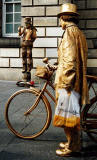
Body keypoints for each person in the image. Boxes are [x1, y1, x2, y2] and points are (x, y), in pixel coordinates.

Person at [53, 3, 89, 157]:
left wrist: (66, 83)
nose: (60, 22)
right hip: (77, 79)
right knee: (72, 114)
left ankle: (73, 147)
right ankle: (72, 142)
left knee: (68, 114)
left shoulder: (68, 33)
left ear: (64, 18)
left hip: (69, 81)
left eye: (60, 19)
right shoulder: (78, 32)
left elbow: (70, 61)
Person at [18, 17, 37, 81]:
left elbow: (34, 37)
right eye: (25, 23)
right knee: (23, 56)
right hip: (23, 43)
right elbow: (20, 34)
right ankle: (24, 68)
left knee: (29, 56)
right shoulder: (24, 28)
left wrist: (31, 41)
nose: (26, 24)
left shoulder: (33, 29)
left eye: (27, 23)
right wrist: (19, 30)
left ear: (29, 23)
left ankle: (29, 69)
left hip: (29, 44)